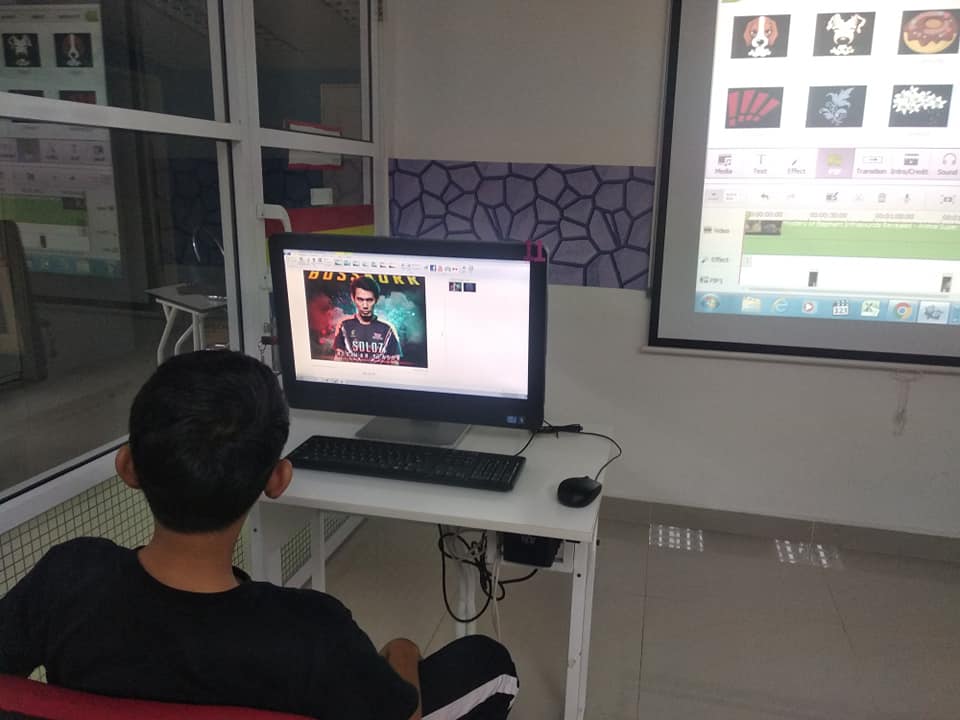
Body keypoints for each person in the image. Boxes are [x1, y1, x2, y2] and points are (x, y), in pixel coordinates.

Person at [0, 350, 517, 720]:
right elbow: (401, 710)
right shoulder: (312, 630)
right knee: (488, 662)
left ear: (127, 466)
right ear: (277, 480)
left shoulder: (66, 577)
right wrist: (403, 650)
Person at [333, 276, 402, 365]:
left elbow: (395, 363)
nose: (365, 305)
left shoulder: (387, 329)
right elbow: (338, 360)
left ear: (376, 299)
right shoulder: (344, 326)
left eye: (369, 300)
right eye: (360, 299)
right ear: (353, 298)